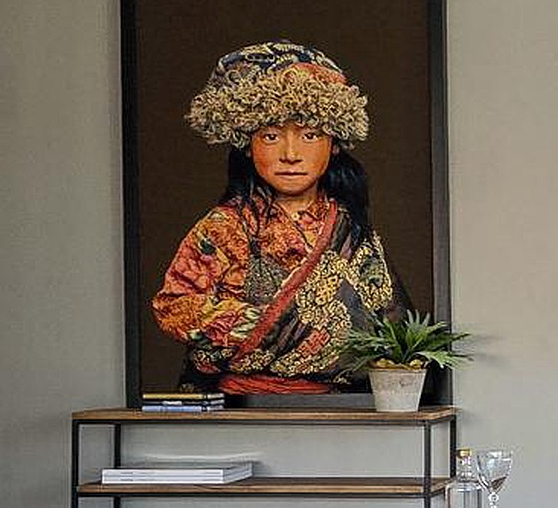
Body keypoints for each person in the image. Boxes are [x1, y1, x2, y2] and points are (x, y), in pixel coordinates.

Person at [151, 41, 401, 393]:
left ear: (334, 143)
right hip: (244, 406)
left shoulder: (350, 227)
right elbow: (173, 306)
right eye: (270, 136)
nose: (291, 154)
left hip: (337, 409)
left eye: (310, 135)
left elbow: (388, 323)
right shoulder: (226, 227)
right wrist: (268, 326)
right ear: (247, 144)